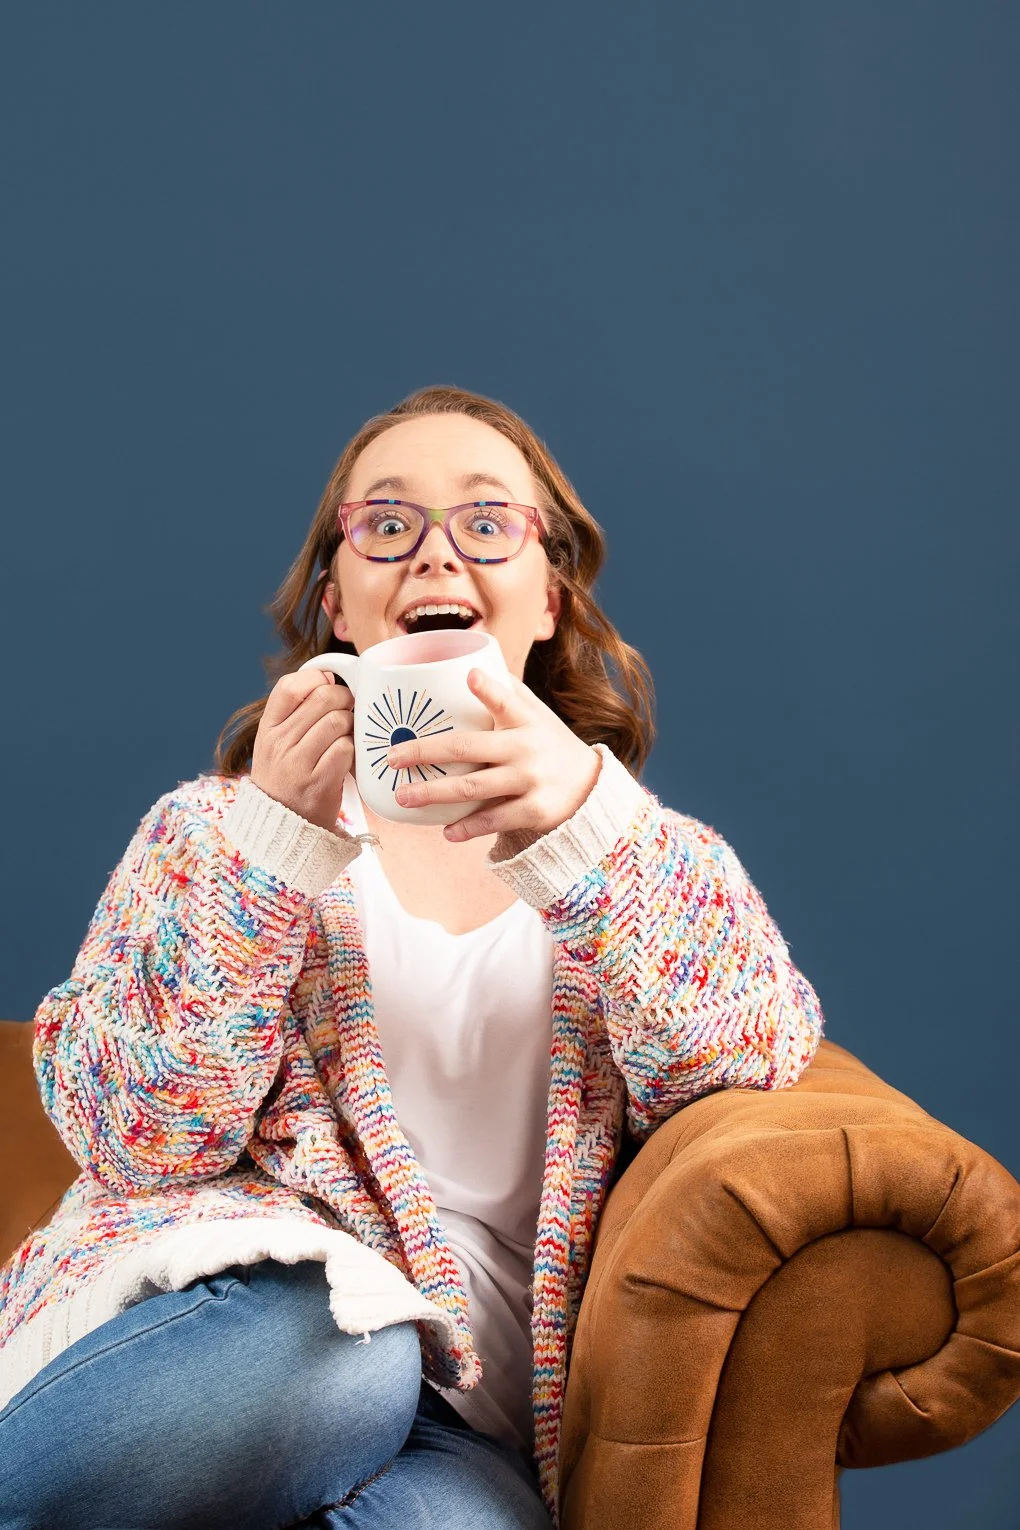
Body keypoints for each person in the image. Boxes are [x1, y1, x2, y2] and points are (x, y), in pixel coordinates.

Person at [0, 384, 826, 1530]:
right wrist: (270, 854)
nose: (437, 552)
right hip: (225, 1333)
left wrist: (588, 824)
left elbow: (744, 1058)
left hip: (464, 1419)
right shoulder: (210, 833)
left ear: (550, 597)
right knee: (351, 1352)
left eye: (487, 522)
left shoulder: (638, 849)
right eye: (387, 524)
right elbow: (137, 1137)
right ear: (339, 605)